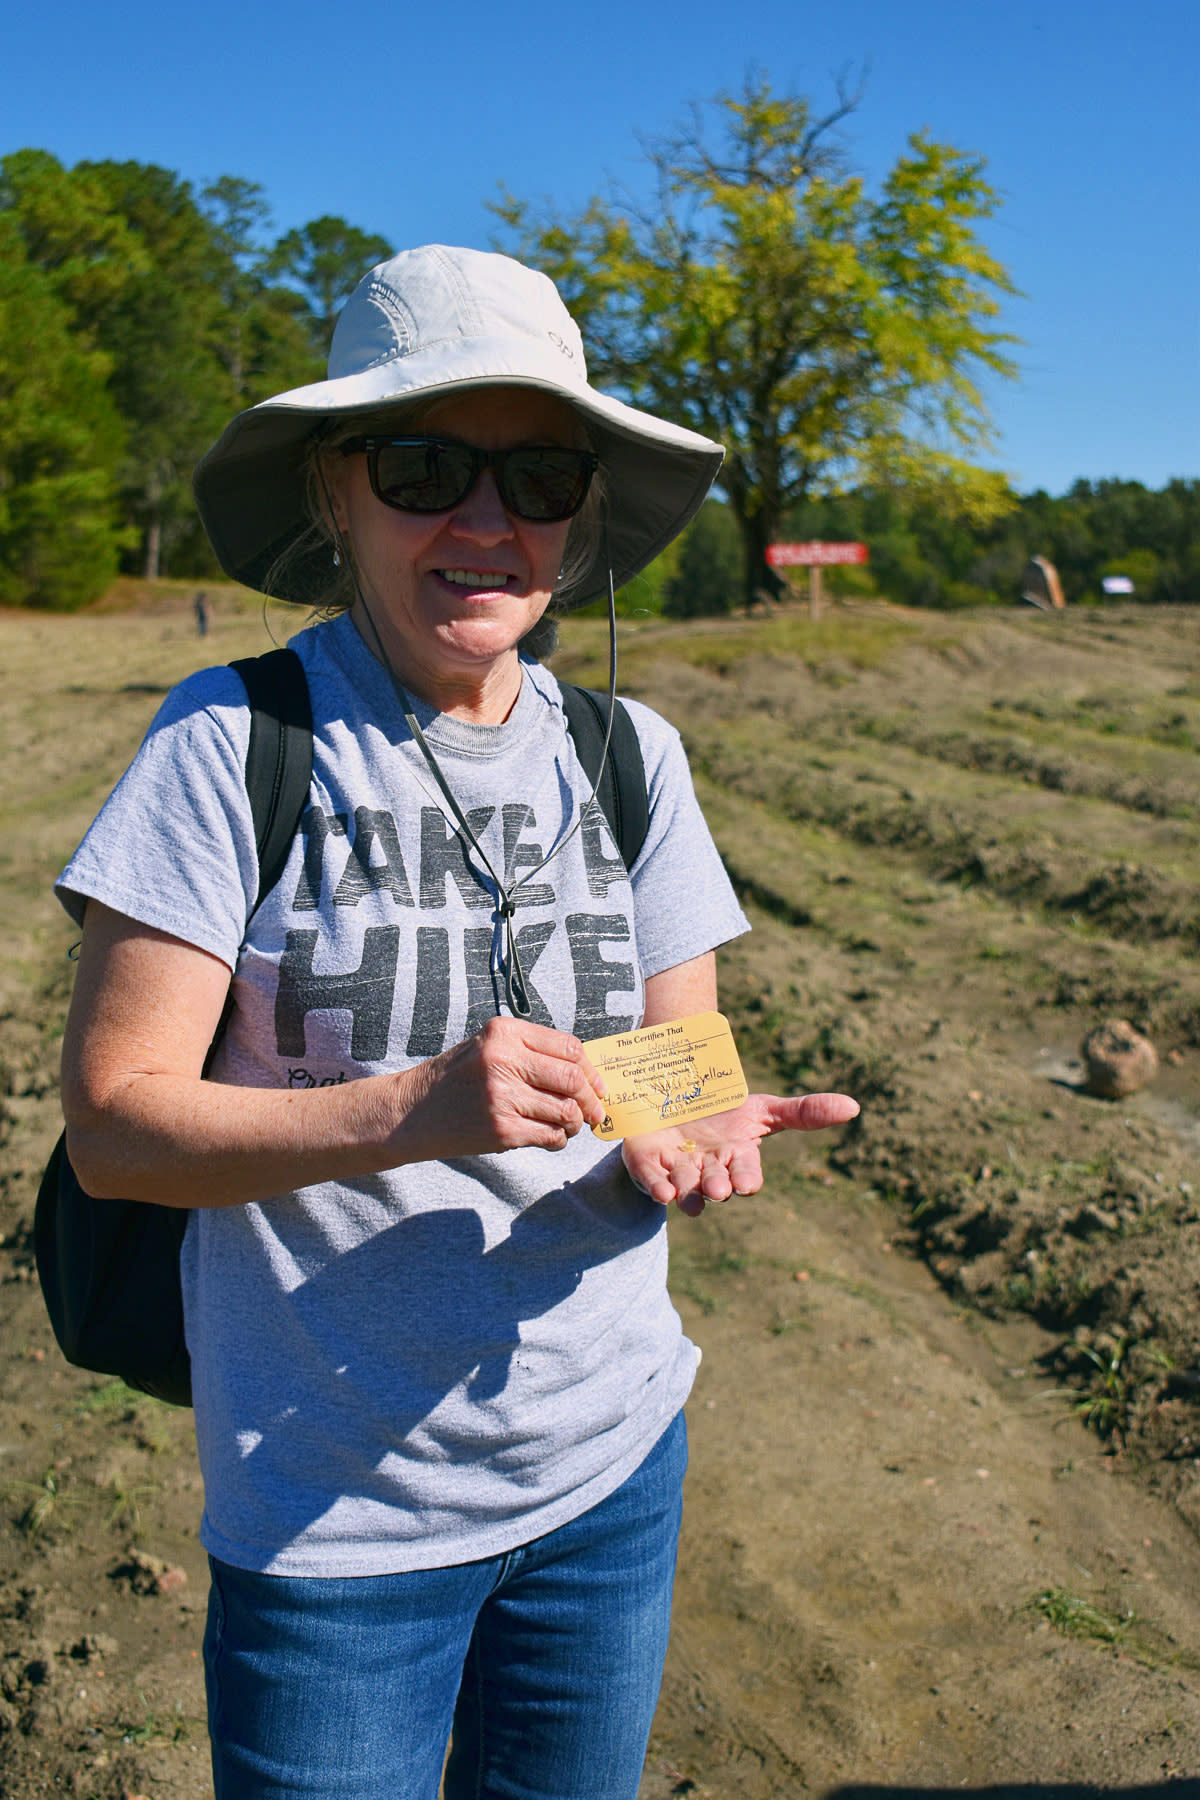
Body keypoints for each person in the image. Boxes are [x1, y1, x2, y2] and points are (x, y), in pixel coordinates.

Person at [56, 245, 859, 1800]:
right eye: (427, 465)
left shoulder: (634, 753)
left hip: (612, 1466)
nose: (487, 522)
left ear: (581, 513)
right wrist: (412, 1109)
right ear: (335, 491)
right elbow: (113, 1132)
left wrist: (683, 1134)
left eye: (538, 473)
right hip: (332, 1512)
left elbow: (671, 1059)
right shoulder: (233, 744)